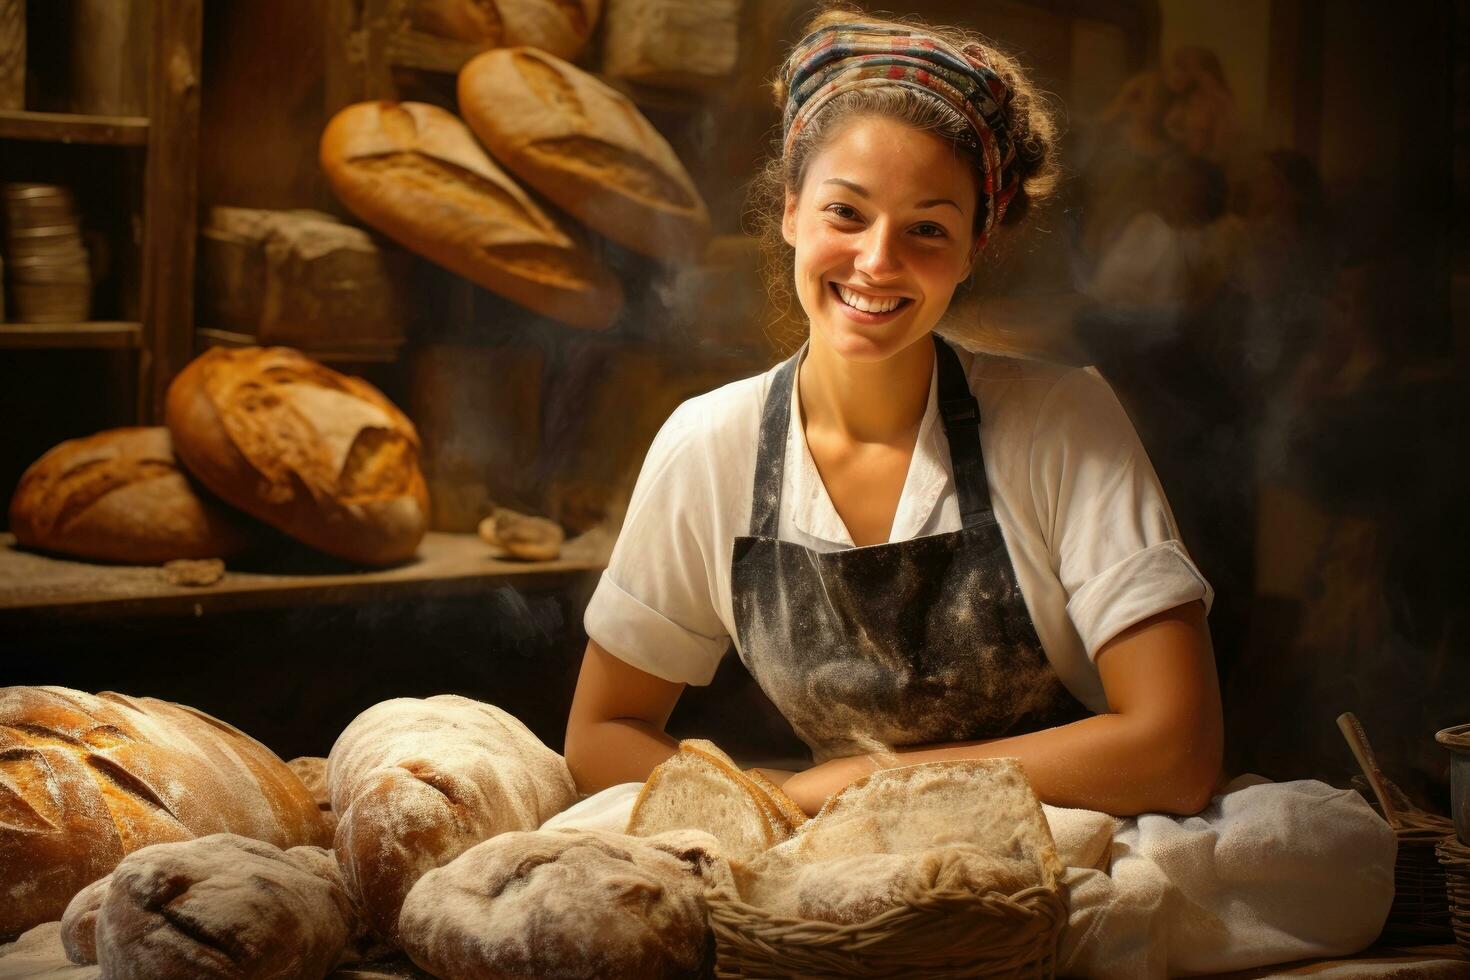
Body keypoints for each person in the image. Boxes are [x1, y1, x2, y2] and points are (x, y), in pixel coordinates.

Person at [558, 6, 1394, 976]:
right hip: (821, 860)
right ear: (790, 207)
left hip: (1056, 850)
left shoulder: (1061, 421)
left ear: (978, 243)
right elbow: (600, 735)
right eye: (845, 211)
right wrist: (779, 810)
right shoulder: (711, 443)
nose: (877, 261)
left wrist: (864, 781)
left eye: (927, 228)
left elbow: (1175, 747)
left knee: (1326, 852)